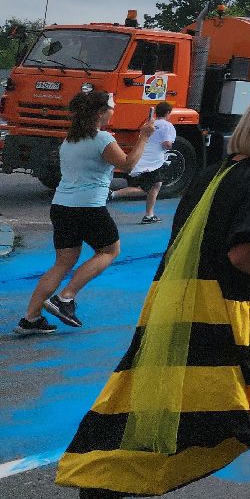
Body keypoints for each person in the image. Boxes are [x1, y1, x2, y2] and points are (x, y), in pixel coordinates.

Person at [55, 93, 250, 499]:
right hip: (224, 315)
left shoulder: (211, 176)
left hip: (173, 308)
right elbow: (242, 255)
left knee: (137, 414)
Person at [15, 90, 152, 336]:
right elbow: (128, 165)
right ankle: (65, 298)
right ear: (100, 112)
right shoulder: (102, 139)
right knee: (110, 250)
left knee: (62, 262)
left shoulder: (71, 140)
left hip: (62, 207)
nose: (114, 111)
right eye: (112, 107)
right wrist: (144, 137)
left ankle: (30, 317)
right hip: (88, 207)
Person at [109, 101, 174, 225]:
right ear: (167, 113)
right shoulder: (168, 126)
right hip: (154, 162)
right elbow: (167, 144)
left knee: (157, 184)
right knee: (145, 189)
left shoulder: (149, 124)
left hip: (143, 158)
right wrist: (170, 147)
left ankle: (149, 215)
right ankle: (113, 194)